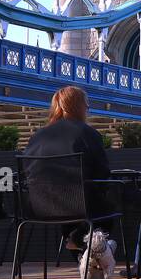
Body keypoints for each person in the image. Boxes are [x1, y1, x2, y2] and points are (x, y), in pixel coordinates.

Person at [23, 87, 113, 251]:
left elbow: (28, 171)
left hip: (38, 208)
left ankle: (76, 242)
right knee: (107, 210)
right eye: (86, 104)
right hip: (80, 207)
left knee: (74, 206)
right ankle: (83, 243)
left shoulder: (37, 136)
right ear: (79, 106)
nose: (88, 108)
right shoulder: (88, 134)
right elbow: (102, 173)